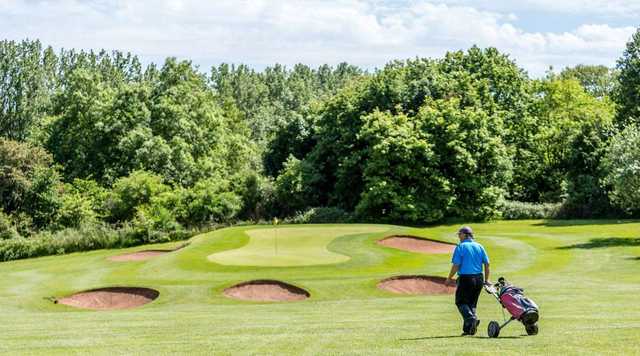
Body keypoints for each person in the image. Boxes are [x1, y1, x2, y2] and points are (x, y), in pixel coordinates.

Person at [445, 226, 490, 336]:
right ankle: (469, 330)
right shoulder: (480, 246)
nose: (459, 237)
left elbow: (456, 265)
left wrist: (449, 278)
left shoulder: (461, 246)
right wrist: (487, 280)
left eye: (459, 234)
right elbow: (487, 264)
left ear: (465, 235)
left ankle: (471, 318)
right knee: (471, 304)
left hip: (466, 278)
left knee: (460, 302)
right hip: (479, 278)